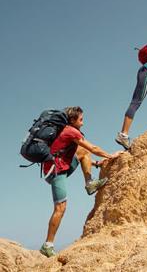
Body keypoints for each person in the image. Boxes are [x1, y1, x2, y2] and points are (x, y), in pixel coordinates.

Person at [39, 106, 121, 258]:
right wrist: (111, 156)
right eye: (81, 120)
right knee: (60, 208)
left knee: (84, 153)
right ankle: (47, 245)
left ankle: (90, 184)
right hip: (56, 172)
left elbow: (79, 153)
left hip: (56, 166)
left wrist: (96, 164)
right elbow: (94, 147)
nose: (83, 123)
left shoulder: (65, 130)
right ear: (72, 120)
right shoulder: (71, 131)